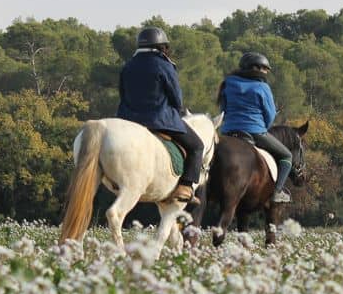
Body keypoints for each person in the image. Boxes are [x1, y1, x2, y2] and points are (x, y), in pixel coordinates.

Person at [117, 26, 204, 205]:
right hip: (159, 120)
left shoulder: (128, 65)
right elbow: (177, 99)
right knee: (197, 146)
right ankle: (186, 187)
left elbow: (123, 94)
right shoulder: (164, 65)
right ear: (162, 47)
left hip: (128, 121)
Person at [217, 52, 292, 203]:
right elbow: (270, 115)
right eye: (265, 69)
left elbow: (222, 109)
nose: (266, 73)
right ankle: (277, 192)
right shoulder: (263, 87)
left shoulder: (228, 83)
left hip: (227, 132)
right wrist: (263, 126)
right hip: (255, 131)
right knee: (287, 156)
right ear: (257, 69)